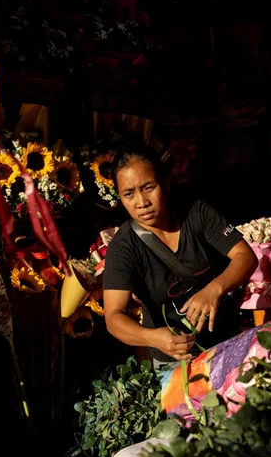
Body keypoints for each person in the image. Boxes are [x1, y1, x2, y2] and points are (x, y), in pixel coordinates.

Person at [103, 147, 257, 364]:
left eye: (149, 188)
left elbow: (245, 256)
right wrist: (153, 338)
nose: (141, 202)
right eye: (129, 194)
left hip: (228, 339)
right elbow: (113, 317)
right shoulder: (123, 247)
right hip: (176, 360)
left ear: (165, 183)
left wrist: (214, 289)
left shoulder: (196, 213)